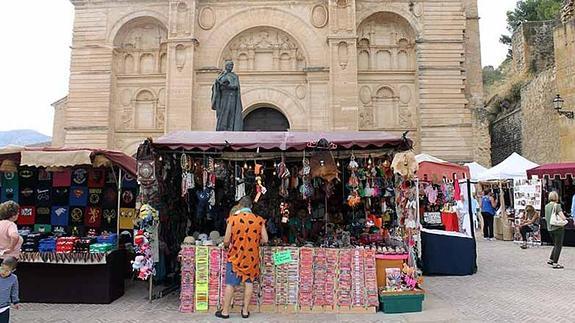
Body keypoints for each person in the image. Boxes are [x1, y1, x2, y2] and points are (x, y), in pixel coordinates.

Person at [216, 196, 268, 319]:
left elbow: (227, 240)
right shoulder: (259, 220)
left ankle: (225, 312)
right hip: (251, 258)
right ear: (251, 207)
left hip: (235, 257)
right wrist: (254, 241)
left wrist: (229, 244)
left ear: (240, 206)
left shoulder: (233, 219)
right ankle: (245, 311)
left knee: (230, 284)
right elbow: (265, 240)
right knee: (249, 283)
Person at [545, 192, 567, 269]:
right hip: (557, 228)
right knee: (558, 246)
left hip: (550, 228)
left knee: (555, 244)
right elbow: (563, 217)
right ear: (556, 197)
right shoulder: (557, 206)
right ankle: (555, 263)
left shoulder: (546, 206)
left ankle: (551, 259)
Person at [0, 256, 20, 323]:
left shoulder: (14, 278)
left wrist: (16, 301)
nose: (3, 272)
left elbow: (14, 290)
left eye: (7, 270)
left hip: (4, 307)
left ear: (13, 270)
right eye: (2, 268)